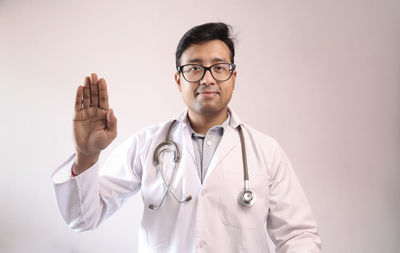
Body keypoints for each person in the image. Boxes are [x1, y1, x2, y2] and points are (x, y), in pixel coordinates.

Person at [51, 22, 322, 253]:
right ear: (178, 80)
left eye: (219, 67)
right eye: (194, 68)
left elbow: (298, 236)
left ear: (233, 77)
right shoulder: (147, 144)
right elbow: (82, 218)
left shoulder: (265, 150)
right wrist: (86, 155)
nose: (207, 79)